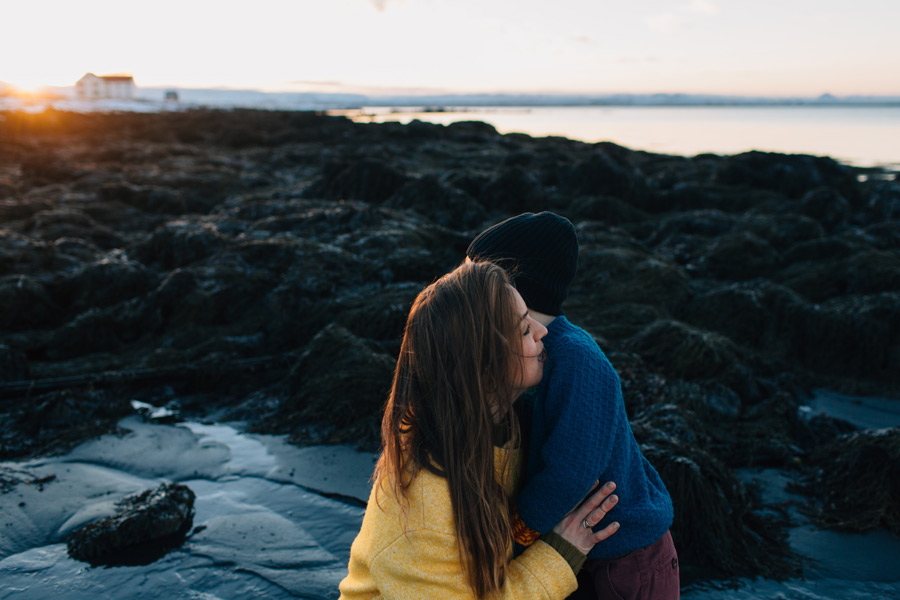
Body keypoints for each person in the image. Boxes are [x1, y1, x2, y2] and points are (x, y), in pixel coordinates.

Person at [338, 260, 620, 599]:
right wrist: (562, 551)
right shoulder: (425, 508)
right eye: (523, 328)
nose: (543, 330)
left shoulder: (492, 429)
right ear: (485, 366)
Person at [467, 212, 679, 600]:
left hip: (626, 554)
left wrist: (519, 531)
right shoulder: (520, 351)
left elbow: (571, 470)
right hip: (577, 547)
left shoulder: (576, 359)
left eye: (480, 278)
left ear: (511, 285)